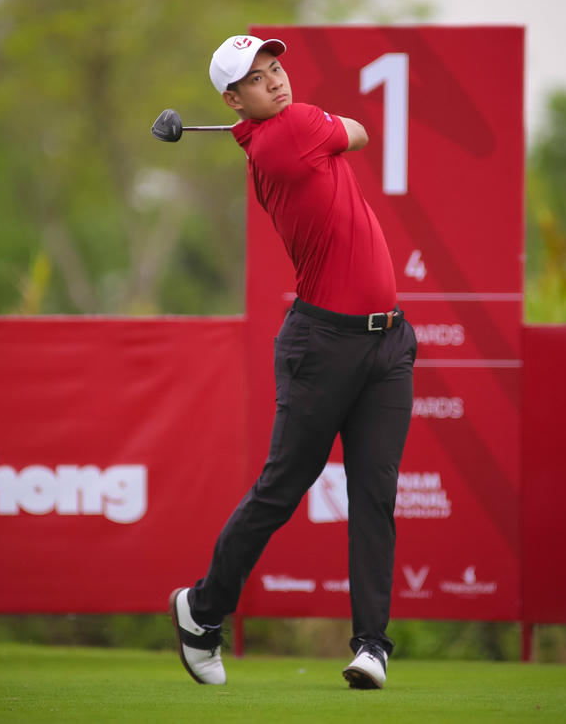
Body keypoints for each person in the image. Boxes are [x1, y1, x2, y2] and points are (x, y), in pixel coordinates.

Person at [169, 34, 417, 690]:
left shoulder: (271, 137)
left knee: (375, 495)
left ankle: (372, 646)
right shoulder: (294, 130)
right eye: (256, 78)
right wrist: (305, 125)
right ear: (233, 100)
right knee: (282, 488)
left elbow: (336, 137)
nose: (275, 81)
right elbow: (358, 131)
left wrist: (262, 126)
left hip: (387, 342)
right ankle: (202, 609)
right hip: (323, 344)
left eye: (275, 68)